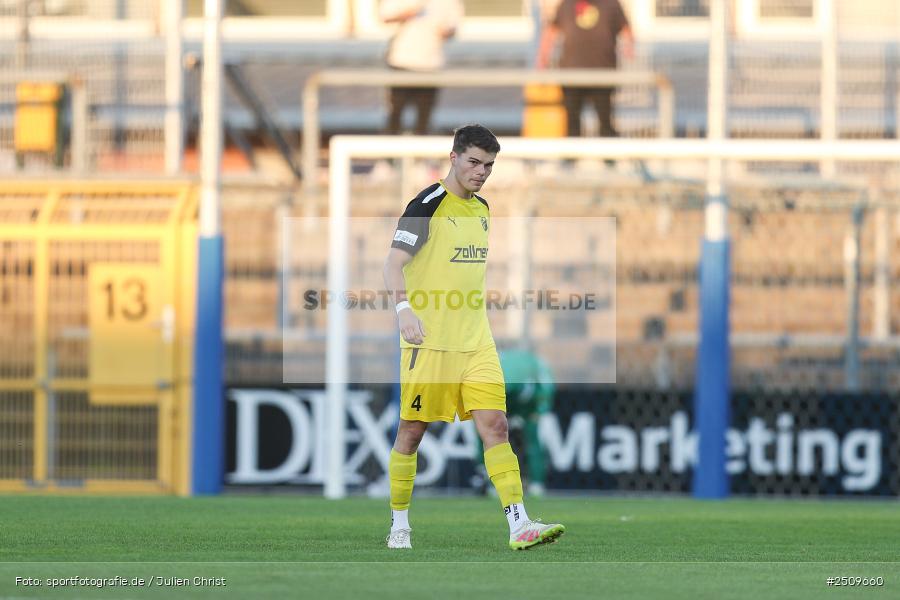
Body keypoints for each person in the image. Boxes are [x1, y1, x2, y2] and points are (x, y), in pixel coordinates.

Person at [383, 124, 565, 551]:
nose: (481, 172)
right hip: (428, 341)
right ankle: (399, 524)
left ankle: (519, 525)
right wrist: (404, 310)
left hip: (477, 342)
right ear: (453, 157)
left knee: (496, 425)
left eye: (489, 165)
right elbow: (392, 264)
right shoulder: (426, 204)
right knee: (411, 432)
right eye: (474, 162)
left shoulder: (483, 210)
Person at [536, 0, 634, 138]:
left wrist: (629, 47)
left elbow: (625, 28)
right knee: (572, 121)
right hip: (571, 74)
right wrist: (543, 59)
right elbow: (551, 31)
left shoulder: (611, 3)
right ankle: (572, 157)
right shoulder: (567, 4)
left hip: (603, 73)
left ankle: (609, 157)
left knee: (605, 120)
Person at [474, 348, 555, 497]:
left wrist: (539, 411)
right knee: (486, 434)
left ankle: (536, 483)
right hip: (499, 394)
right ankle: (486, 477)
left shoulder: (531, 372)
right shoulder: (490, 374)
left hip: (527, 404)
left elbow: (546, 388)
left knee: (531, 437)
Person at [380, 0, 463, 135]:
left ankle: (420, 152)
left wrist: (445, 32)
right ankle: (389, 153)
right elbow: (385, 16)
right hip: (402, 62)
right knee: (395, 113)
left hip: (430, 64)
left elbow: (453, 26)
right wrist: (409, 13)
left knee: (424, 116)